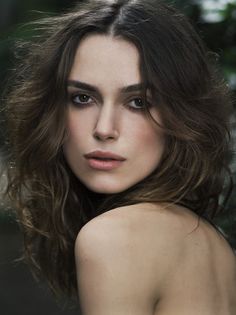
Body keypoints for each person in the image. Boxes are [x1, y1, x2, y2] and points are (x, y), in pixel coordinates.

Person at [3, 0, 236, 314]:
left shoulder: (114, 237)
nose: (104, 129)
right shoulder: (211, 243)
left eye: (138, 102)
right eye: (82, 98)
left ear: (181, 116)